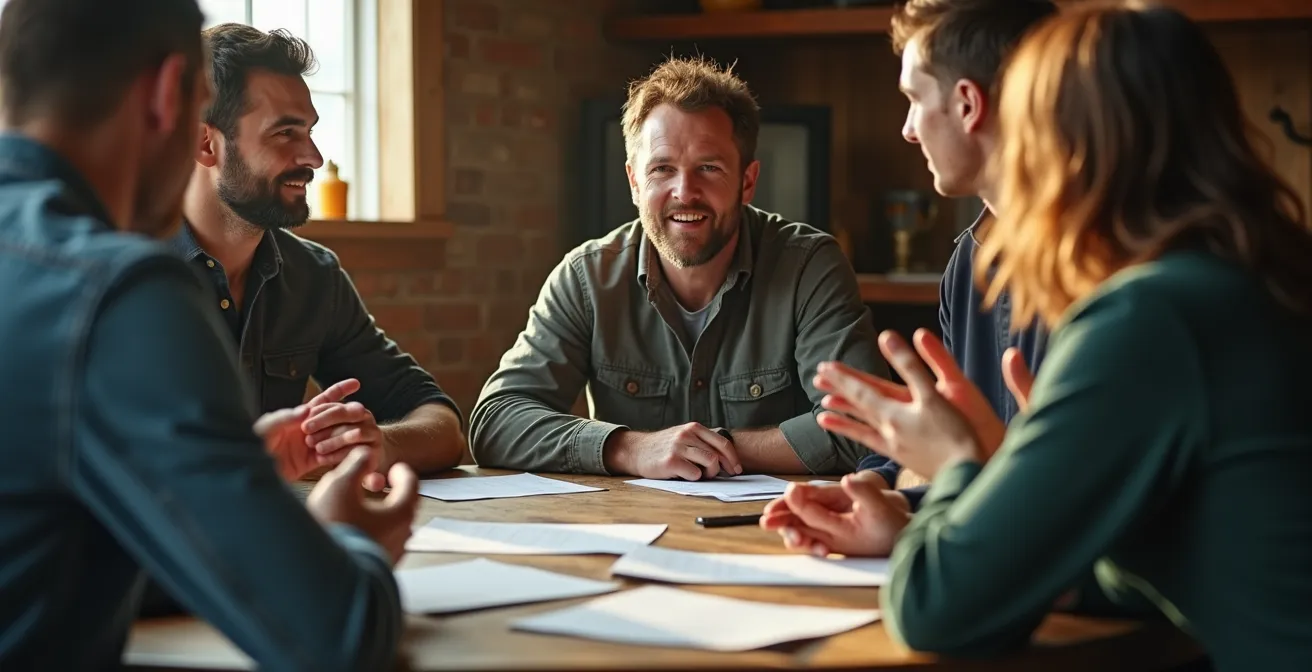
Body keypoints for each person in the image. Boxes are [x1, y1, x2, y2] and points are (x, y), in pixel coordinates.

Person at [797, 3, 1312, 668]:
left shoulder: (1151, 318)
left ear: (1070, 139)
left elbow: (935, 612)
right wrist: (982, 510)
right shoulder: (1251, 280)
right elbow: (1175, 561)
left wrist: (960, 465)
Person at [0, 0, 417, 669]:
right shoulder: (118, 291)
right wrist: (340, 538)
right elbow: (337, 636)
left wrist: (217, 486)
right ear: (172, 97)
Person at [469, 56, 888, 479]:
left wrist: (708, 448)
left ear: (747, 181)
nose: (685, 193)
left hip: (775, 529)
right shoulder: (586, 278)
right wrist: (631, 448)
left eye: (709, 168)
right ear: (635, 182)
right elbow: (496, 421)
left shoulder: (809, 268)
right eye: (662, 169)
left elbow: (864, 428)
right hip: (632, 531)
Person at [763, 0, 1058, 557]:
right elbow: (962, 453)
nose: (907, 131)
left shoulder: (1096, 273)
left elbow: (1040, 495)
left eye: (914, 100)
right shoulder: (967, 262)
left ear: (968, 104)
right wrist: (879, 492)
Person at [176, 24, 465, 482]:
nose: (313, 156)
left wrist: (379, 444)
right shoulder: (121, 272)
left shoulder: (313, 275)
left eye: (309, 131)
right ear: (205, 143)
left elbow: (442, 424)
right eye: (285, 133)